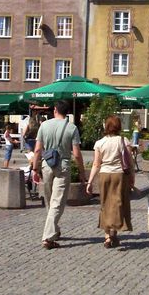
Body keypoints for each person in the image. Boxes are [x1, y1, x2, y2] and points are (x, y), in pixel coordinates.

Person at [32, 100, 86, 250]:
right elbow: (76, 154)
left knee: (50, 200)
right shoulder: (72, 128)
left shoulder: (44, 125)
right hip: (63, 165)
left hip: (47, 165)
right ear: (67, 112)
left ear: (55, 110)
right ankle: (48, 237)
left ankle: (53, 230)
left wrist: (34, 169)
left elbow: (37, 150)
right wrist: (82, 172)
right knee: (57, 202)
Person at [86, 115, 134, 248]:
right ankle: (114, 233)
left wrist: (89, 182)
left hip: (104, 175)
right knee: (119, 203)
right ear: (118, 126)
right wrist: (132, 178)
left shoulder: (100, 143)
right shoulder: (124, 141)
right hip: (119, 175)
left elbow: (96, 164)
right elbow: (130, 163)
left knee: (105, 204)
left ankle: (107, 236)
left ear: (106, 127)